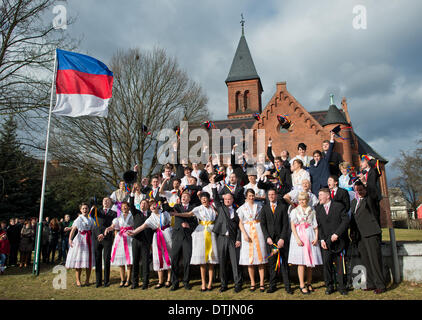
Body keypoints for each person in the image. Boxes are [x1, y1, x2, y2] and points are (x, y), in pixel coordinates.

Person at [172, 192, 219, 291]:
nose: (204, 200)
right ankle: (203, 283)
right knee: (203, 260)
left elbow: (218, 215)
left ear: (208, 199)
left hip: (211, 232)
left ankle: (210, 283)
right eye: (202, 199)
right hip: (201, 232)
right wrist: (176, 214)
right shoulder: (198, 208)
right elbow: (189, 214)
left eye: (205, 198)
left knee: (211, 260)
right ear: (200, 200)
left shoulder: (213, 208)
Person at [350, 181, 386, 294]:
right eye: (357, 190)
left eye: (361, 190)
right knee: (366, 260)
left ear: (365, 190)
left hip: (371, 233)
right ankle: (371, 283)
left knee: (374, 259)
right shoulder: (354, 202)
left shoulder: (369, 200)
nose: (359, 192)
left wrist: (367, 181)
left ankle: (380, 284)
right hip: (360, 236)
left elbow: (374, 192)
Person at [128, 199, 173, 289]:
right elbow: (142, 226)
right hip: (157, 237)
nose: (152, 206)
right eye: (151, 205)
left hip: (167, 235)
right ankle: (160, 281)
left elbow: (170, 220)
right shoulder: (150, 218)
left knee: (168, 256)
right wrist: (133, 232)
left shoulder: (164, 213)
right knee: (158, 257)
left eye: (154, 205)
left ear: (157, 205)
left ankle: (169, 279)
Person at [316, 188, 349, 295]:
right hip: (325, 243)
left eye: (321, 195)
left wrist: (337, 234)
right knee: (327, 265)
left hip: (338, 241)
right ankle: (329, 286)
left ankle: (342, 287)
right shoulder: (318, 209)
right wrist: (321, 239)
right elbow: (319, 226)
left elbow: (345, 221)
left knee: (340, 265)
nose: (319, 197)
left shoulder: (338, 206)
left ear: (328, 196)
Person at [288, 192, 323, 295]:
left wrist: (316, 237)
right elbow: (293, 226)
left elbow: (315, 226)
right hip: (299, 236)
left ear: (307, 200)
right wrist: (297, 238)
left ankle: (309, 283)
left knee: (310, 263)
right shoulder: (295, 211)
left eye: (303, 200)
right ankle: (301, 284)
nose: (301, 202)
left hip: (310, 235)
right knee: (301, 262)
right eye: (300, 200)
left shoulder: (312, 211)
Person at [260, 189, 293, 294]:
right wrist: (267, 237)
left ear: (276, 195)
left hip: (281, 240)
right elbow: (263, 224)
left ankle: (288, 286)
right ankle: (272, 285)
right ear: (267, 196)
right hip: (271, 241)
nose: (271, 196)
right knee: (272, 263)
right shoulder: (264, 208)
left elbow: (285, 224)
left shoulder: (283, 207)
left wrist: (282, 238)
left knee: (283, 263)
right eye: (269, 194)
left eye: (273, 194)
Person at [212, 186, 242, 293]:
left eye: (229, 199)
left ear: (232, 200)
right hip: (222, 238)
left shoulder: (238, 211)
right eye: (225, 199)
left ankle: (238, 284)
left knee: (235, 262)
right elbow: (215, 198)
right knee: (222, 262)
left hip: (233, 240)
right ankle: (223, 284)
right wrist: (214, 185)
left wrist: (238, 239)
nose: (227, 201)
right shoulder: (220, 208)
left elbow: (239, 227)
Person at [237, 189, 267, 292]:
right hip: (248, 231)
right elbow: (240, 223)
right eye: (249, 196)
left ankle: (262, 282)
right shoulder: (242, 208)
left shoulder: (259, 206)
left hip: (258, 231)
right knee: (250, 260)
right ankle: (253, 282)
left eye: (252, 195)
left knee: (260, 258)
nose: (251, 197)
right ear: (246, 196)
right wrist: (244, 234)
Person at [169, 191, 197, 291]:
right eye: (182, 196)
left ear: (189, 199)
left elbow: (196, 222)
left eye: (186, 196)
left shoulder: (193, 208)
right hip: (177, 236)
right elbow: (168, 210)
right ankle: (175, 282)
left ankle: (186, 281)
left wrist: (189, 226)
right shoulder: (176, 206)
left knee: (187, 260)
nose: (184, 198)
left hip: (188, 236)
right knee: (174, 259)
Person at [65, 203, 95, 287]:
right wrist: (70, 239)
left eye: (86, 208)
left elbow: (93, 229)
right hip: (80, 240)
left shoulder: (91, 219)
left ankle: (87, 280)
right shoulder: (79, 219)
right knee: (79, 261)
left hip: (89, 240)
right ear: (81, 210)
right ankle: (78, 280)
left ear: (88, 209)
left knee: (88, 261)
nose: (85, 210)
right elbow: (74, 229)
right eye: (83, 208)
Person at [105, 201, 134, 287]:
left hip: (129, 237)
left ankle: (129, 280)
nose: (124, 208)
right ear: (121, 208)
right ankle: (122, 279)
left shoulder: (132, 216)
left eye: (126, 206)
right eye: (123, 206)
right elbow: (113, 226)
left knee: (129, 260)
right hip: (120, 239)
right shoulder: (118, 217)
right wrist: (108, 229)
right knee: (121, 261)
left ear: (128, 208)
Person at [128, 197, 153, 290]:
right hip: (136, 241)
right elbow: (131, 205)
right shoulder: (136, 213)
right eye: (142, 203)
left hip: (146, 242)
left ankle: (145, 283)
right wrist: (132, 195)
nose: (143, 205)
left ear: (148, 206)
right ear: (140, 205)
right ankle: (135, 283)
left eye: (145, 203)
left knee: (146, 263)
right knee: (135, 262)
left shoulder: (151, 215)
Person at [92, 197, 117, 288]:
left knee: (106, 260)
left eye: (108, 200)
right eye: (104, 200)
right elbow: (94, 221)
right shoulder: (97, 211)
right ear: (102, 202)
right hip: (97, 238)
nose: (106, 202)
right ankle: (98, 281)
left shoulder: (114, 213)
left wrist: (104, 234)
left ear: (110, 203)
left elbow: (113, 225)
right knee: (97, 259)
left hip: (107, 238)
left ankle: (106, 281)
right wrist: (99, 234)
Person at [358, 156, 382, 228]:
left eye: (362, 162)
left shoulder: (373, 171)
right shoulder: (362, 173)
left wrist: (370, 159)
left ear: (367, 162)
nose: (360, 164)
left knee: (374, 217)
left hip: (373, 197)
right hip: (364, 197)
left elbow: (377, 166)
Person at [309, 132, 335, 196]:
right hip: (315, 188)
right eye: (315, 156)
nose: (316, 157)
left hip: (324, 186)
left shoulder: (324, 161)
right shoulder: (311, 167)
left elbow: (329, 152)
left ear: (320, 156)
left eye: (318, 156)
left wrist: (331, 138)